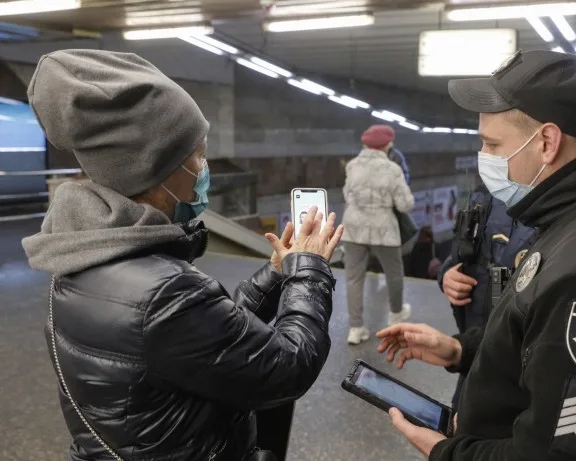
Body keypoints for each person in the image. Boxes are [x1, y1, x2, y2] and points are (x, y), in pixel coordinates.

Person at [21, 50, 344, 461]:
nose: (204, 166)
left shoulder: (83, 254)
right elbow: (285, 369)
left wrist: (276, 274)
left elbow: (201, 343)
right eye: (198, 153)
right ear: (156, 167)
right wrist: (311, 270)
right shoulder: (164, 289)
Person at [376, 50, 576, 460]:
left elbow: (559, 454)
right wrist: (462, 350)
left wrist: (448, 454)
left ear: (547, 142)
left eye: (492, 144)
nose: (485, 159)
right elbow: (541, 344)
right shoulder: (568, 222)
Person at [437, 181, 536, 407]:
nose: (483, 155)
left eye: (492, 145)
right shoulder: (485, 193)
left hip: (519, 374)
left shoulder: (555, 208)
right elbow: (460, 253)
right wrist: (446, 275)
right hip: (472, 353)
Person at [342, 124, 415, 345]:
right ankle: (395, 315)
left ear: (364, 144)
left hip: (353, 225)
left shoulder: (352, 165)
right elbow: (405, 205)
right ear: (388, 145)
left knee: (354, 278)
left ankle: (356, 328)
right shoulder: (392, 169)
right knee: (393, 273)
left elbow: (347, 193)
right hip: (383, 227)